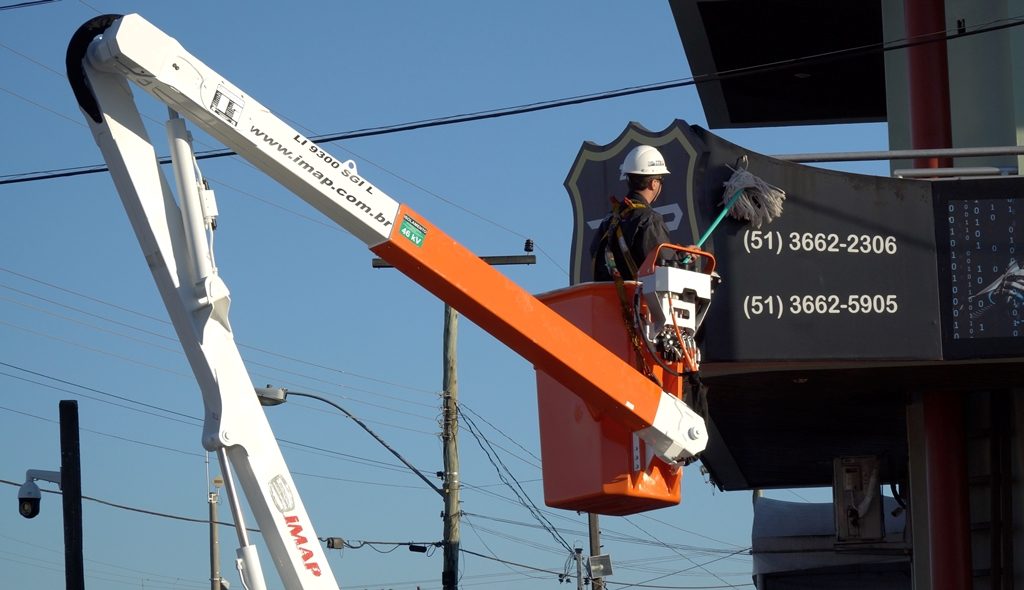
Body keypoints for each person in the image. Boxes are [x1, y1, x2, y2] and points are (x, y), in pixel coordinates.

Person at [590, 145, 677, 281]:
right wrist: (686, 259)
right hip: (638, 300)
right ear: (654, 183)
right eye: (661, 180)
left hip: (608, 299)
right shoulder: (649, 219)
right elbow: (665, 266)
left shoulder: (609, 220)